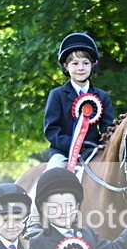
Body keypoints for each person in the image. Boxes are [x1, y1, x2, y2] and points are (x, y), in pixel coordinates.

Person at [43, 32, 115, 170]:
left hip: (94, 152)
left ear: (93, 64)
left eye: (85, 63)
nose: (81, 68)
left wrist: (99, 145)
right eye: (75, 63)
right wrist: (75, 144)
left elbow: (109, 129)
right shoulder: (57, 95)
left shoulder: (103, 96)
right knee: (52, 173)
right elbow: (51, 130)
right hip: (63, 153)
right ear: (65, 66)